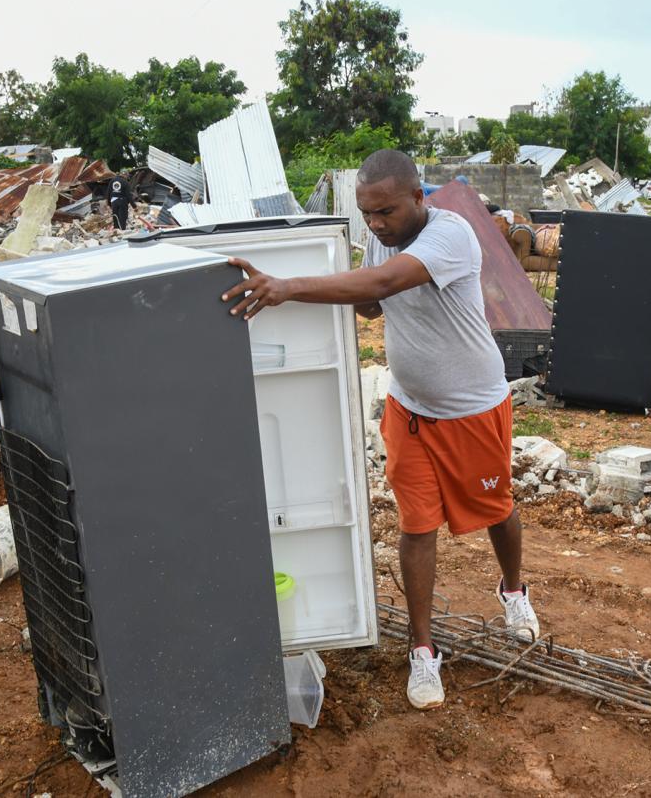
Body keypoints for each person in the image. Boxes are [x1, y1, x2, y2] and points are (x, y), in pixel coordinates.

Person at [221, 149, 539, 711]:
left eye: (386, 212)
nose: (376, 224)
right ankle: (423, 651)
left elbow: (389, 279)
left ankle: (513, 591)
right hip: (409, 409)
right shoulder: (383, 238)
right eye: (368, 214)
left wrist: (291, 286)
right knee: (417, 526)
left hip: (472, 408)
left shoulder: (451, 234)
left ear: (419, 198)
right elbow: (372, 301)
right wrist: (313, 277)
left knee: (497, 507)